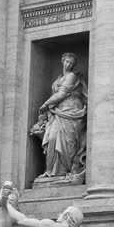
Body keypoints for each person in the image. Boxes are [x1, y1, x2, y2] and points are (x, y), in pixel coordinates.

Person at [35, 52, 87, 181]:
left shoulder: (72, 76)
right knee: (52, 137)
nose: (68, 64)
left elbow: (62, 94)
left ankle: (64, 171)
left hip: (71, 111)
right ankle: (50, 171)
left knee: (68, 142)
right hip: (58, 112)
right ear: (62, 61)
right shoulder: (58, 79)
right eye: (67, 61)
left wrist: (46, 104)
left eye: (71, 63)